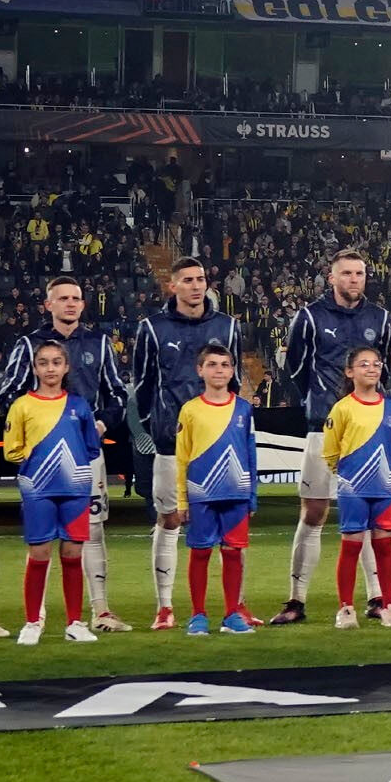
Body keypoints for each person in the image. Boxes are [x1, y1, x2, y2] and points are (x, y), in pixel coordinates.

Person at [0, 276, 130, 632]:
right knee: (41, 540)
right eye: (63, 299)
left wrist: (101, 423)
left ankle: (99, 610)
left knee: (91, 530)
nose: (70, 304)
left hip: (86, 454)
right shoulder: (29, 345)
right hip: (42, 458)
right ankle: (36, 616)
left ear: (83, 304)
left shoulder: (100, 343)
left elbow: (117, 395)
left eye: (76, 298)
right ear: (49, 305)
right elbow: (9, 393)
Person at [280, 249, 391, 624]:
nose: (353, 280)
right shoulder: (311, 316)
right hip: (322, 428)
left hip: (368, 432)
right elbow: (295, 369)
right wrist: (320, 404)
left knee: (365, 516)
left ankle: (376, 598)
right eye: (346, 273)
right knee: (314, 512)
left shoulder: (380, 318)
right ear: (332, 278)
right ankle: (296, 601)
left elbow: (385, 367)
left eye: (359, 273)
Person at [132, 256, 243, 631]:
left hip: (221, 447)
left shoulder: (227, 326)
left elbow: (236, 381)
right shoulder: (153, 328)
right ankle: (165, 606)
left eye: (201, 279)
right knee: (169, 519)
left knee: (231, 529)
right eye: (188, 280)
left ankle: (235, 607)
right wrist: (160, 426)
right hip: (171, 445)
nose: (197, 286)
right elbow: (144, 386)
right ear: (173, 285)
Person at [0, 336, 106, 645]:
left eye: (56, 362)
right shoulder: (22, 405)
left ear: (66, 367)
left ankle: (75, 622)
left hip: (75, 490)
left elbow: (90, 447)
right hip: (38, 491)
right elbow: (11, 450)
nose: (50, 368)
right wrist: (38, 462)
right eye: (43, 363)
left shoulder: (78, 406)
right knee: (40, 553)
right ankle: (33, 622)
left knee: (73, 554)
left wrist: (71, 470)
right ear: (34, 367)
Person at [168, 343, 261, 636]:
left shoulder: (244, 409)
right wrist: (182, 500)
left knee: (233, 553)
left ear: (232, 371)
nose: (218, 370)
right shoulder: (190, 410)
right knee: (200, 553)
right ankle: (198, 615)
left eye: (224, 364)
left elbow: (250, 454)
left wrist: (252, 495)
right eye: (212, 364)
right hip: (201, 494)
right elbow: (182, 457)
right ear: (200, 370)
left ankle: (232, 614)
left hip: (236, 494)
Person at [320, 344, 391, 629]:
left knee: (385, 547)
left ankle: (389, 605)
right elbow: (331, 450)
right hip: (352, 488)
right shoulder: (342, 408)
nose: (372, 368)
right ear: (349, 372)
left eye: (376, 363)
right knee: (351, 547)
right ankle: (346, 608)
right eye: (364, 364)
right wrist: (347, 476)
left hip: (383, 487)